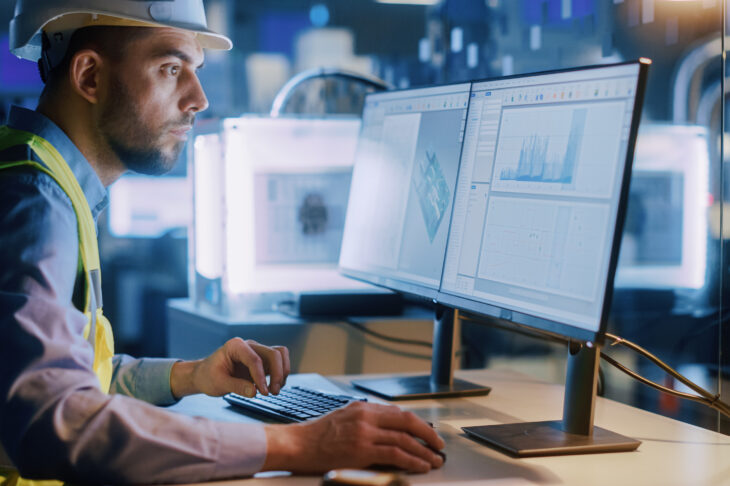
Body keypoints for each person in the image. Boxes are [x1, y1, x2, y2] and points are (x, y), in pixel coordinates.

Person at [0, 1, 445, 484]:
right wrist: (299, 443)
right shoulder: (36, 201)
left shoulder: (41, 176)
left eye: (196, 70)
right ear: (89, 76)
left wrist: (190, 377)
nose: (199, 98)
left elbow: (68, 373)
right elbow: (53, 421)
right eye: (171, 68)